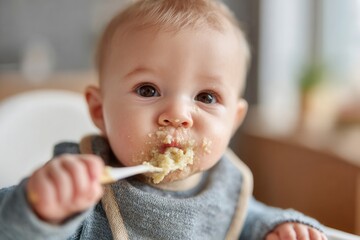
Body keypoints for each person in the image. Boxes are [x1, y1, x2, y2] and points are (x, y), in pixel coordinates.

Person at [0, 0, 328, 239]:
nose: (177, 115)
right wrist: (40, 210)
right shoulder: (84, 180)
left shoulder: (224, 182)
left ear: (233, 120)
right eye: (147, 89)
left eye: (206, 97)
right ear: (100, 111)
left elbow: (248, 219)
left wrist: (280, 227)